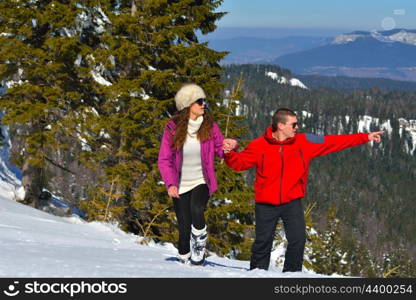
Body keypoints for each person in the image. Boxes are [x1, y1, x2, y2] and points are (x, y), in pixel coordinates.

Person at [223, 108, 384, 272]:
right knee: (262, 243)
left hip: (292, 202)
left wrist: (365, 137)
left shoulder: (305, 141)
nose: (297, 127)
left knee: (298, 240)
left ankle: (291, 277)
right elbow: (238, 163)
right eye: (293, 124)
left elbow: (333, 141)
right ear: (280, 125)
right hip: (265, 203)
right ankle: (257, 276)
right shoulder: (259, 145)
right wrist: (229, 153)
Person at [158, 83, 235, 265]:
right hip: (180, 183)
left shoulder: (210, 126)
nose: (203, 104)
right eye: (199, 101)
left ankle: (199, 243)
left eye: (204, 101)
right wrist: (170, 184)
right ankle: (183, 259)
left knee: (197, 209)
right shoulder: (172, 128)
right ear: (188, 105)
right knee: (184, 228)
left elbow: (219, 148)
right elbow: (164, 159)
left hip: (202, 180)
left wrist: (229, 146)